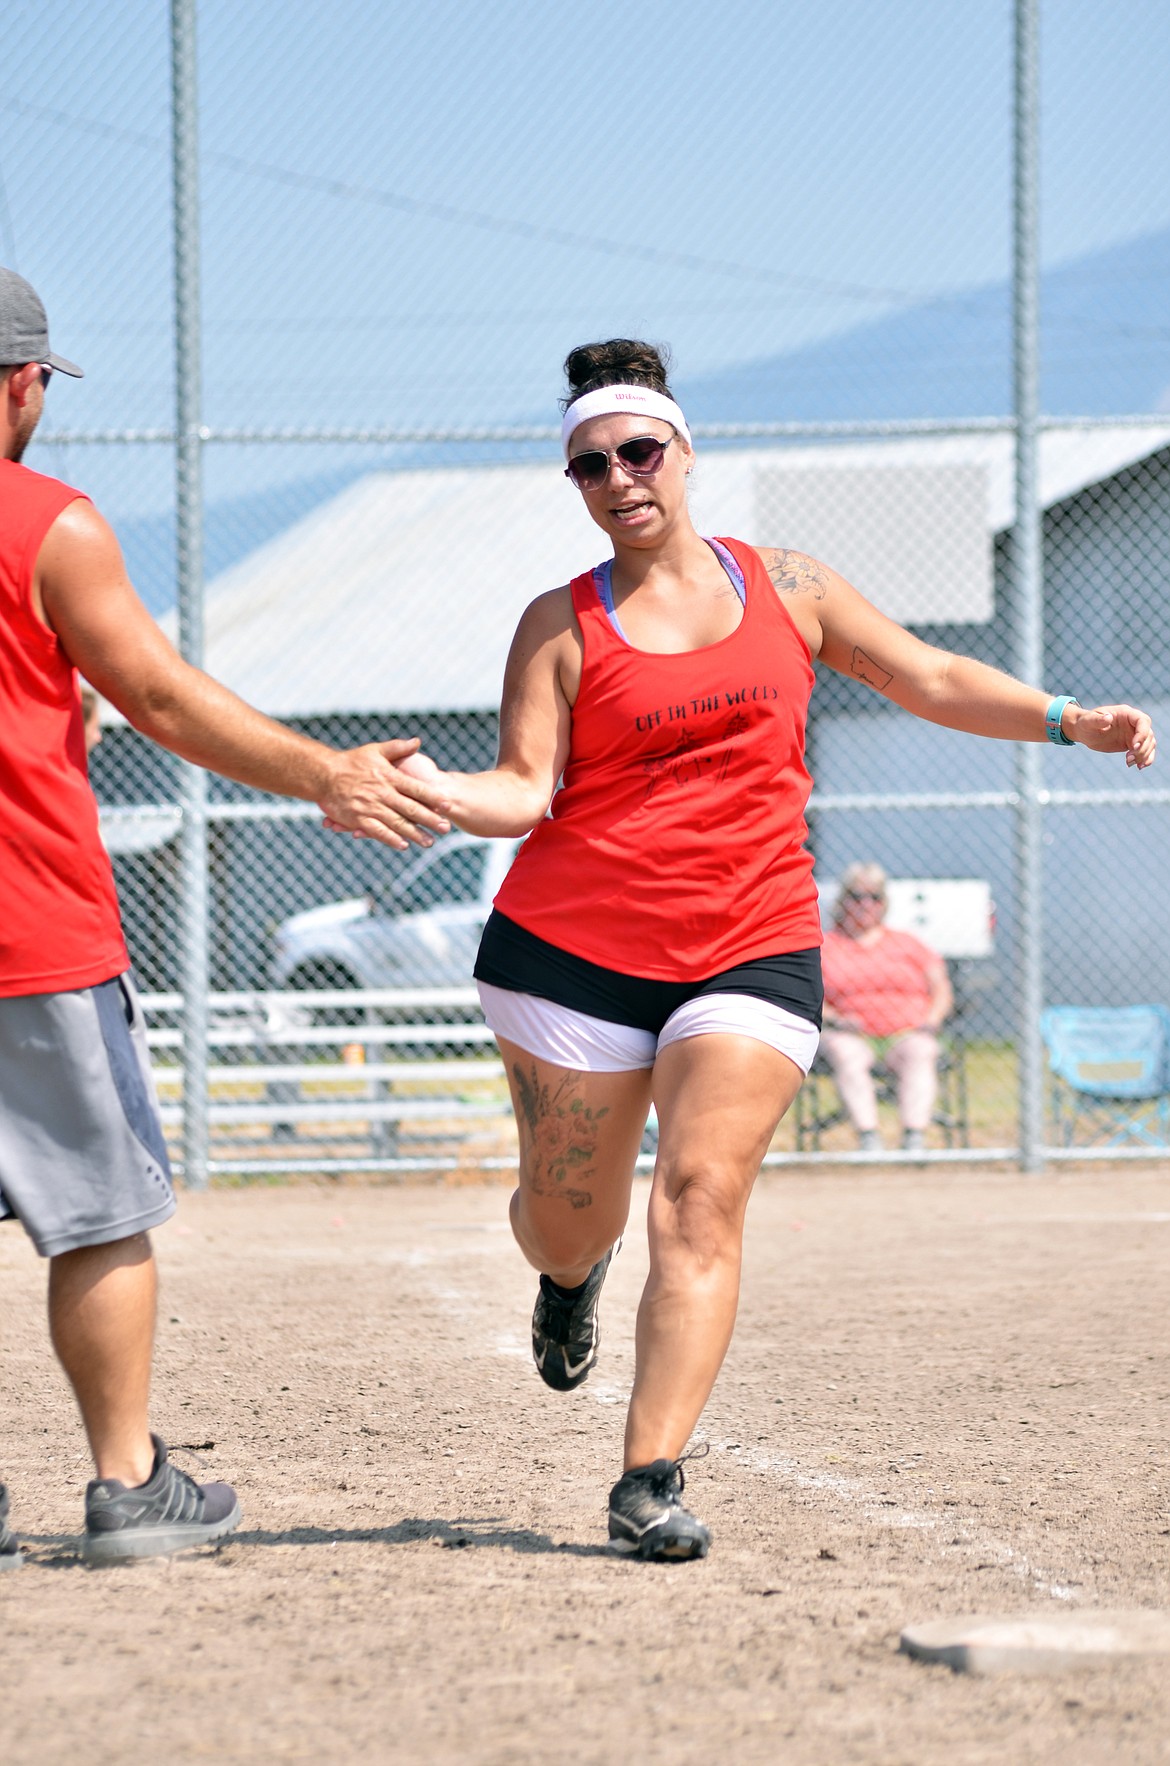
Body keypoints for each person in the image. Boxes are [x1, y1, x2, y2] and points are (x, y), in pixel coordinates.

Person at [388, 336, 1155, 1563]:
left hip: (746, 943)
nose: (620, 477)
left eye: (640, 450)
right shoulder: (559, 624)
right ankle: (568, 1276)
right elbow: (525, 789)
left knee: (698, 1198)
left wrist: (1070, 718)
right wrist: (417, 789)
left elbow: (930, 675)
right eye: (591, 465)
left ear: (685, 451)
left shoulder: (790, 583)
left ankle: (647, 1476)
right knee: (567, 1217)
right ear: (576, 485)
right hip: (570, 952)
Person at [0, 266, 450, 1569]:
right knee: (96, 1213)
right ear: (25, 384)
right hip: (28, 928)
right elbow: (161, 694)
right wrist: (330, 773)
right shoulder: (48, 522)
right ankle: (128, 1482)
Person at [819, 862, 953, 1152]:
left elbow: (940, 986)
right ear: (843, 901)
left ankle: (913, 1138)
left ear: (884, 903)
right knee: (847, 1053)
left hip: (906, 1032)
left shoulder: (907, 943)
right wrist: (835, 1018)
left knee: (922, 1051)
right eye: (857, 896)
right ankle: (870, 1140)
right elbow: (810, 997)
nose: (865, 904)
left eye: (874, 897)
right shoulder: (825, 945)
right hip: (851, 1034)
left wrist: (932, 1020)